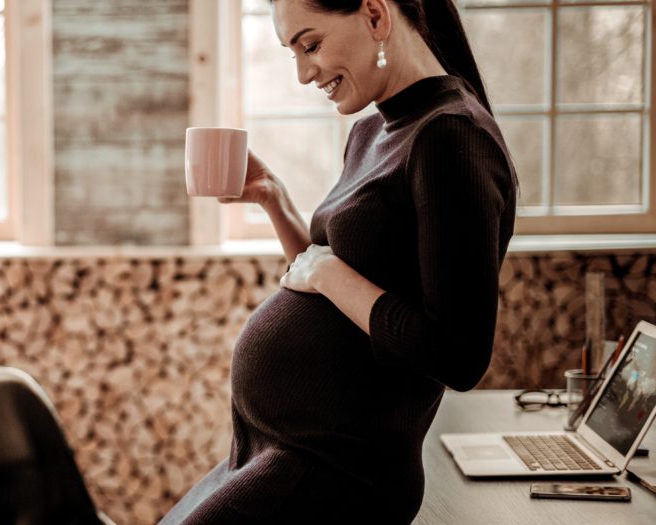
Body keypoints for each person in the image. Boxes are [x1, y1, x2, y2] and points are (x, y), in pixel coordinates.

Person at [159, 0, 517, 523]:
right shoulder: (375, 131)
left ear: (375, 16)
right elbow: (331, 287)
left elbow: (458, 356)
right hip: (273, 450)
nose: (304, 74)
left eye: (311, 45)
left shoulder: (451, 137)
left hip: (338, 471)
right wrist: (272, 199)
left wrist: (328, 273)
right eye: (292, 54)